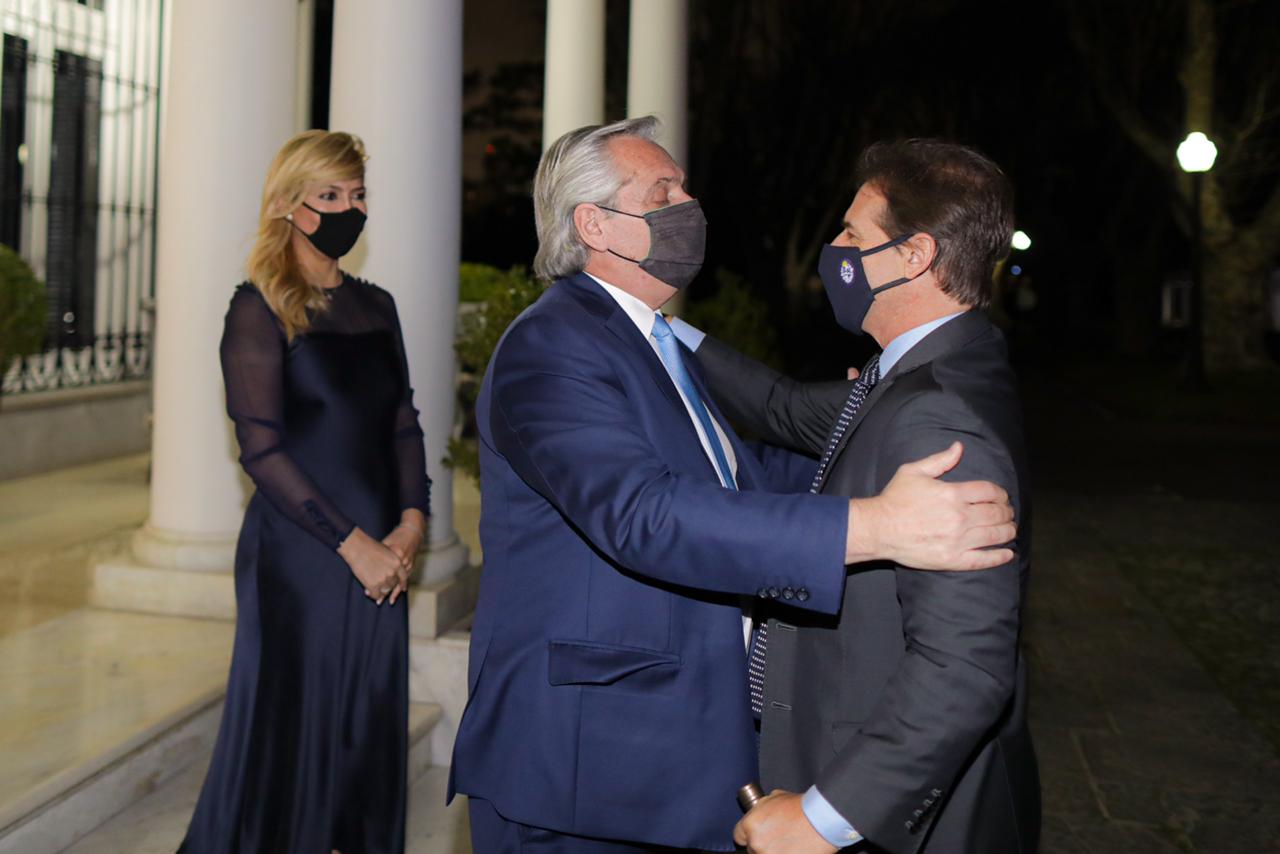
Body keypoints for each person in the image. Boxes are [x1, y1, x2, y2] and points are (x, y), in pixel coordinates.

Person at [447, 117, 1020, 853]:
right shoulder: (552, 345)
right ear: (596, 225)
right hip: (587, 768)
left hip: (665, 757)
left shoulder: (651, 340)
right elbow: (644, 515)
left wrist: (865, 453)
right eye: (664, 191)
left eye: (685, 186)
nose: (690, 204)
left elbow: (733, 474)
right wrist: (871, 524)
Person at [674, 139, 1040, 853]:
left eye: (852, 233)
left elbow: (964, 667)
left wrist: (825, 816)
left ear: (914, 255)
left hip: (908, 815)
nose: (834, 249)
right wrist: (658, 330)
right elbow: (781, 406)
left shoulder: (938, 412)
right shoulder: (931, 367)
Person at [178, 130, 429, 854]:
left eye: (357, 196)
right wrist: (354, 547)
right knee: (301, 723)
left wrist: (411, 526)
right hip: (304, 552)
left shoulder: (377, 305)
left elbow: (403, 421)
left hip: (385, 549)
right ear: (289, 206)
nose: (348, 209)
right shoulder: (258, 309)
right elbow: (260, 448)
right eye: (330, 196)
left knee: (367, 715)